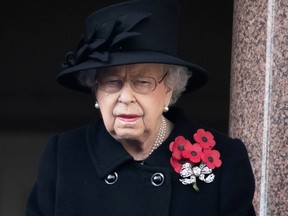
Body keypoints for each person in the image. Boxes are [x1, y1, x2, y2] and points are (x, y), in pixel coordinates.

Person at [26, 0, 255, 215]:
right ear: (96, 91)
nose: (126, 97)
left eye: (142, 82)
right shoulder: (64, 155)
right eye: (111, 82)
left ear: (169, 90)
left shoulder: (225, 158)